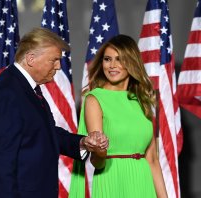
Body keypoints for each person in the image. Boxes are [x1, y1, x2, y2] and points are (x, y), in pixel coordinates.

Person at [0, 27, 108, 198]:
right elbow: (2, 162)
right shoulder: (8, 93)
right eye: (54, 60)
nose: (58, 67)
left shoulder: (23, 87)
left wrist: (82, 142)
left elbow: (44, 132)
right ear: (31, 58)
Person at [69, 34, 167, 198]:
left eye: (119, 59)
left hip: (143, 182)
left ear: (132, 63)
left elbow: (152, 160)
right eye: (107, 59)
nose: (112, 65)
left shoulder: (141, 100)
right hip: (111, 180)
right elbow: (97, 162)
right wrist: (99, 151)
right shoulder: (94, 99)